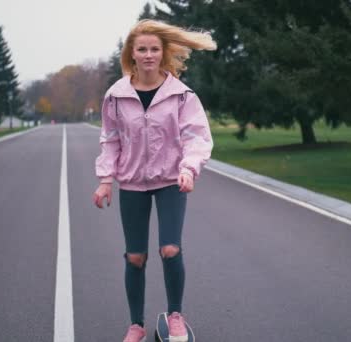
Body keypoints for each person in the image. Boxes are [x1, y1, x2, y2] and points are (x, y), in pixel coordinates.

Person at [92, 19, 216, 342]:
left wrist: (188, 168)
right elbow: (111, 139)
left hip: (170, 181)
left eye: (154, 49)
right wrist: (106, 179)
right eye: (142, 49)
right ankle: (137, 325)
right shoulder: (116, 96)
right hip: (131, 183)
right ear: (132, 54)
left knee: (170, 249)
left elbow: (197, 136)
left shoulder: (181, 96)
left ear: (163, 53)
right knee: (135, 256)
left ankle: (175, 315)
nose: (148, 55)